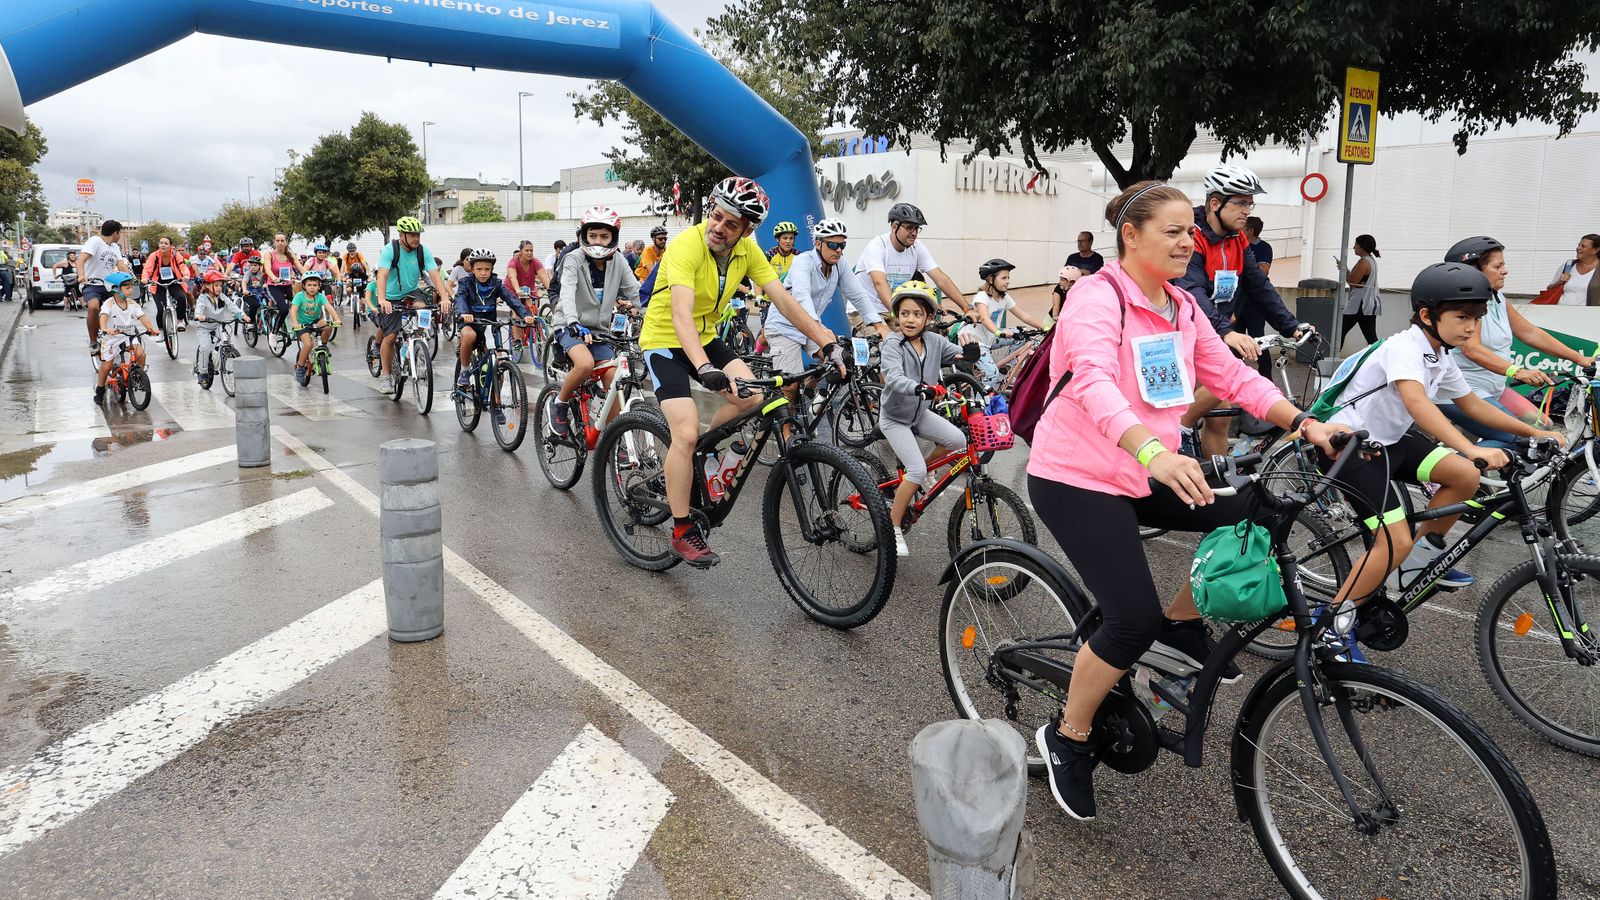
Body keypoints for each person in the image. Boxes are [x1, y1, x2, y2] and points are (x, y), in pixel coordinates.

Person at [1028, 181, 1347, 821]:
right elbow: (1091, 381)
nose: (1186, 242)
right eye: (1172, 231)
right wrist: (1155, 453)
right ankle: (1068, 735)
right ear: (1131, 235)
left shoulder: (1178, 305)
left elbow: (1229, 376)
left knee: (1253, 506)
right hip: (1078, 476)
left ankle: (1181, 620)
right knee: (1127, 621)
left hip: (1149, 467)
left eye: (1188, 231)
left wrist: (1305, 423)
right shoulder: (1098, 298)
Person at [1316, 263, 1565, 655]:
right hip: (1348, 446)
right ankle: (1330, 624)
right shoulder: (1405, 347)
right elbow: (1417, 404)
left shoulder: (1439, 354)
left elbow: (1471, 404)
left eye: (1477, 318)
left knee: (1464, 477)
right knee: (1392, 540)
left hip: (1390, 442)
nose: (1471, 327)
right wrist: (1472, 447)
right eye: (1462, 317)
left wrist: (1534, 431)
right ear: (1428, 315)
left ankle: (1415, 565)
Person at [639, 176, 843, 568]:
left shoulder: (747, 250)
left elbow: (783, 299)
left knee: (752, 396)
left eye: (732, 224)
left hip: (706, 335)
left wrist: (825, 341)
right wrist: (703, 367)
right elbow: (680, 314)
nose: (719, 227)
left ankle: (705, 455)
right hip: (666, 339)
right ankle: (681, 530)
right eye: (717, 216)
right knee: (683, 431)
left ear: (747, 230)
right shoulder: (686, 245)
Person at [1175, 164, 1310, 457]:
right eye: (1240, 203)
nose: (1247, 210)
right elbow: (1191, 290)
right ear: (1215, 203)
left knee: (1221, 419)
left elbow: (1258, 285)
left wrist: (1291, 326)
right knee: (1223, 383)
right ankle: (1180, 429)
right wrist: (1225, 331)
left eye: (1250, 203)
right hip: (1185, 330)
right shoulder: (1192, 236)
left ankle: (1216, 482)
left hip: (1218, 330)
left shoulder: (1238, 240)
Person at [1441, 236, 1593, 444]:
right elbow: (1472, 349)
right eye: (1498, 266)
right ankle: (1456, 473)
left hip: (1493, 388)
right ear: (1474, 271)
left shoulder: (1497, 299)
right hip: (1463, 390)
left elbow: (1530, 333)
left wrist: (1579, 358)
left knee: (1541, 425)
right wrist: (1517, 371)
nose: (1505, 270)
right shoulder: (1466, 305)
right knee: (1520, 436)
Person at [878, 281, 977, 556]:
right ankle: (893, 526)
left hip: (920, 413)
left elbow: (956, 352)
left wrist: (970, 352)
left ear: (928, 318)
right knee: (916, 471)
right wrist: (918, 387)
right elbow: (894, 377)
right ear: (897, 316)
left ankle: (922, 471)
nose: (910, 319)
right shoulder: (892, 344)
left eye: (917, 314)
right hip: (895, 418)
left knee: (957, 438)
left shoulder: (934, 341)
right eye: (905, 313)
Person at [550, 207, 640, 436]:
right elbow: (567, 292)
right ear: (584, 236)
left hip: (598, 330)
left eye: (604, 236)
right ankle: (559, 403)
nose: (598, 242)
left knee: (614, 378)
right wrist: (572, 321)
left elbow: (636, 293)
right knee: (585, 364)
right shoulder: (573, 259)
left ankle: (615, 438)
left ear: (613, 238)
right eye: (593, 236)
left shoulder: (619, 260)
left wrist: (655, 316)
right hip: (570, 326)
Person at [765, 218, 890, 377]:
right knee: (791, 384)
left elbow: (858, 295)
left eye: (842, 245)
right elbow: (801, 298)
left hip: (811, 326)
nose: (838, 250)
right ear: (818, 243)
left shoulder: (840, 264)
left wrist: (879, 324)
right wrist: (820, 329)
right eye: (832, 245)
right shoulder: (802, 261)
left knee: (840, 362)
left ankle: (814, 389)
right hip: (784, 327)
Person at [452, 248, 535, 422]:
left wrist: (525, 313)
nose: (483, 273)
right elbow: (459, 299)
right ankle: (465, 372)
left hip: (490, 325)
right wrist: (463, 312)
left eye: (487, 269)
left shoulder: (497, 284)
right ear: (472, 269)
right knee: (468, 336)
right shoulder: (466, 283)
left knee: (498, 364)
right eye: (479, 269)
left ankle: (496, 405)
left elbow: (511, 299)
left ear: (492, 269)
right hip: (469, 323)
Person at [373, 217, 449, 393]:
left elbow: (435, 276)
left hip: (411, 292)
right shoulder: (390, 250)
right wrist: (383, 299)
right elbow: (382, 276)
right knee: (390, 337)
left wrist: (444, 297)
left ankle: (415, 341)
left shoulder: (422, 251)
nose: (416, 238)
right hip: (390, 296)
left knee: (423, 310)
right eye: (412, 235)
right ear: (401, 235)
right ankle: (386, 376)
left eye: (418, 235)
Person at [857, 203, 972, 320]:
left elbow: (941, 279)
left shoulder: (916, 247)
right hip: (866, 311)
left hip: (896, 311)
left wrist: (967, 309)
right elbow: (879, 283)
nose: (914, 233)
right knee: (891, 337)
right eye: (909, 227)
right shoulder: (877, 246)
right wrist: (896, 314)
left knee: (930, 334)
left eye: (917, 228)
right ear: (894, 227)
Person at [963, 258, 1049, 387]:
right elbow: (984, 318)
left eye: (1008, 278)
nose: (1008, 281)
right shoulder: (982, 296)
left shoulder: (1004, 297)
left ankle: (1007, 368)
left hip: (991, 337)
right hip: (975, 340)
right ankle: (980, 403)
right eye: (1004, 278)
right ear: (991, 279)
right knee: (992, 373)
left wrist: (1046, 328)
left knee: (1023, 334)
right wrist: (998, 332)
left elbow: (1023, 315)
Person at [94, 272, 160, 404]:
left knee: (141, 354)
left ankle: (136, 378)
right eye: (127, 288)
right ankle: (100, 389)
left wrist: (150, 328)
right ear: (115, 289)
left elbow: (142, 317)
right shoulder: (109, 304)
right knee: (107, 366)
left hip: (129, 336)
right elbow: (103, 316)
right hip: (112, 337)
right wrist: (105, 328)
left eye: (131, 287)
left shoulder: (133, 304)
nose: (131, 290)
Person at [192, 270, 241, 386]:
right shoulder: (202, 298)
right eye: (216, 285)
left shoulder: (222, 297)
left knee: (225, 342)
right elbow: (198, 309)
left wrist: (242, 315)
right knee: (205, 348)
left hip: (218, 324)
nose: (219, 288)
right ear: (207, 285)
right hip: (204, 327)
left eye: (221, 285)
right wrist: (199, 316)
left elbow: (232, 306)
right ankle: (202, 372)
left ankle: (221, 357)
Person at [288, 271, 333, 386]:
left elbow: (329, 307)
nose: (312, 288)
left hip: (314, 320)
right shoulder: (299, 296)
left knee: (328, 327)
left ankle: (323, 346)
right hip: (302, 324)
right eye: (309, 285)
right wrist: (296, 323)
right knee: (308, 345)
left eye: (315, 285)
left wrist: (336, 319)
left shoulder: (320, 296)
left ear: (319, 286)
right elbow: (293, 310)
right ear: (304, 286)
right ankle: (300, 367)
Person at [141, 236, 192, 333]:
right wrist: (145, 278)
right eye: (161, 243)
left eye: (166, 243)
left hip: (174, 282)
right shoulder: (154, 256)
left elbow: (183, 266)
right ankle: (161, 331)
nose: (163, 245)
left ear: (171, 246)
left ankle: (180, 320)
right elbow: (148, 268)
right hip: (158, 284)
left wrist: (185, 275)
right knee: (161, 308)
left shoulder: (176, 255)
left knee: (181, 298)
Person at [261, 233, 303, 339]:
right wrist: (273, 277)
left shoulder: (290, 255)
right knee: (284, 309)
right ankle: (274, 334)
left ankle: (301, 327)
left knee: (301, 305)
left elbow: (301, 268)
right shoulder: (269, 255)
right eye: (277, 240)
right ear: (275, 242)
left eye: (282, 240)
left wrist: (310, 277)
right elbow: (267, 268)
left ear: (286, 242)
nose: (280, 243)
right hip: (274, 286)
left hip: (288, 286)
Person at [1546, 233, 1600, 307]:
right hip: (1560, 313)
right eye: (1578, 245)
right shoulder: (1568, 265)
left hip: (1586, 315)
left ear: (1595, 250)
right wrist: (1559, 282)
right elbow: (1549, 290)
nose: (1578, 248)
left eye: (1583, 246)